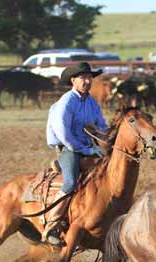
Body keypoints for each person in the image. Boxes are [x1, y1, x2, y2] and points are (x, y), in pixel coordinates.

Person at [43, 62, 107, 245]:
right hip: (69, 149)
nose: (87, 81)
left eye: (89, 77)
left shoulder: (92, 103)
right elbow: (65, 136)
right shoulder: (66, 103)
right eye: (83, 78)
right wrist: (88, 149)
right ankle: (51, 225)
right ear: (73, 80)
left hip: (89, 148)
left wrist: (110, 137)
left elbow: (101, 127)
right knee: (70, 182)